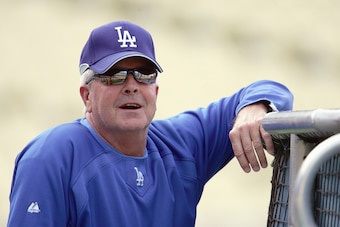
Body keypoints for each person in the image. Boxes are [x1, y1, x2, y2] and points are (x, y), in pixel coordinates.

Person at [7, 20, 293, 227]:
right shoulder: (51, 156)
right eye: (114, 75)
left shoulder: (182, 143)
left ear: (155, 92)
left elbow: (272, 89)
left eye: (144, 74)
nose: (131, 86)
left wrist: (255, 107)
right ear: (87, 96)